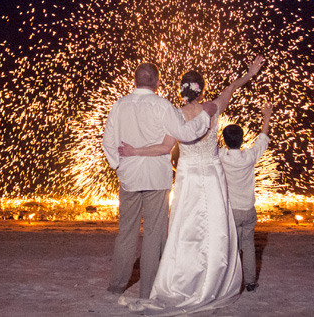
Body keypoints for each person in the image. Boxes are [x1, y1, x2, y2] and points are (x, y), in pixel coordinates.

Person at [118, 56, 265, 315]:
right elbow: (233, 87)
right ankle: (213, 281)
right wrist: (250, 73)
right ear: (202, 89)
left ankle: (184, 278)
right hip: (211, 175)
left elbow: (164, 148)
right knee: (215, 229)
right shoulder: (214, 106)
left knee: (185, 231)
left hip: (187, 178)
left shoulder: (176, 114)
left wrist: (134, 150)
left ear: (181, 91)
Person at [101, 62, 220, 299]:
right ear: (157, 82)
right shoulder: (163, 106)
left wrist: (119, 166)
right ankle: (148, 289)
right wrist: (205, 115)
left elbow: (107, 142)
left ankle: (117, 285)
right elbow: (185, 134)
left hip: (130, 178)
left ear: (134, 81)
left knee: (126, 232)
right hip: (156, 177)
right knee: (154, 234)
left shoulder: (119, 106)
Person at [219, 103, 273, 293]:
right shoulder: (249, 156)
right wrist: (267, 116)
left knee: (230, 247)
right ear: (242, 140)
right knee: (248, 245)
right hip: (248, 210)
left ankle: (230, 282)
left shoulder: (220, 156)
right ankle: (250, 282)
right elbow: (263, 139)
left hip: (231, 210)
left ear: (224, 141)